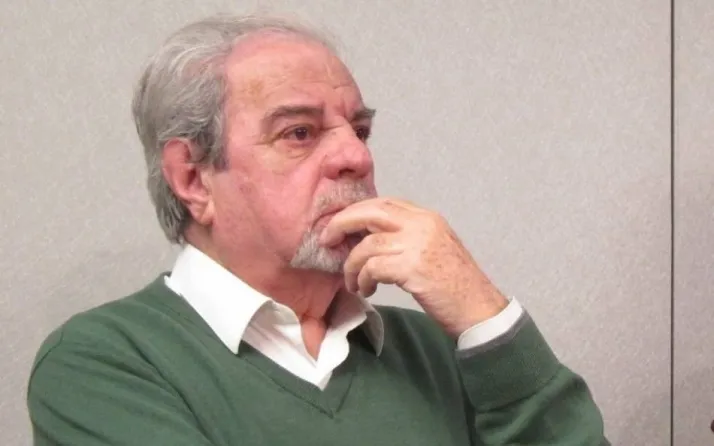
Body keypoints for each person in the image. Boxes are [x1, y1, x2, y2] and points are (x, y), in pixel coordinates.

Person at [26, 14, 609, 445]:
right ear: (193, 179)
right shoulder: (103, 363)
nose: (356, 156)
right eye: (299, 133)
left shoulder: (438, 347)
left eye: (360, 130)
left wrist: (486, 318)